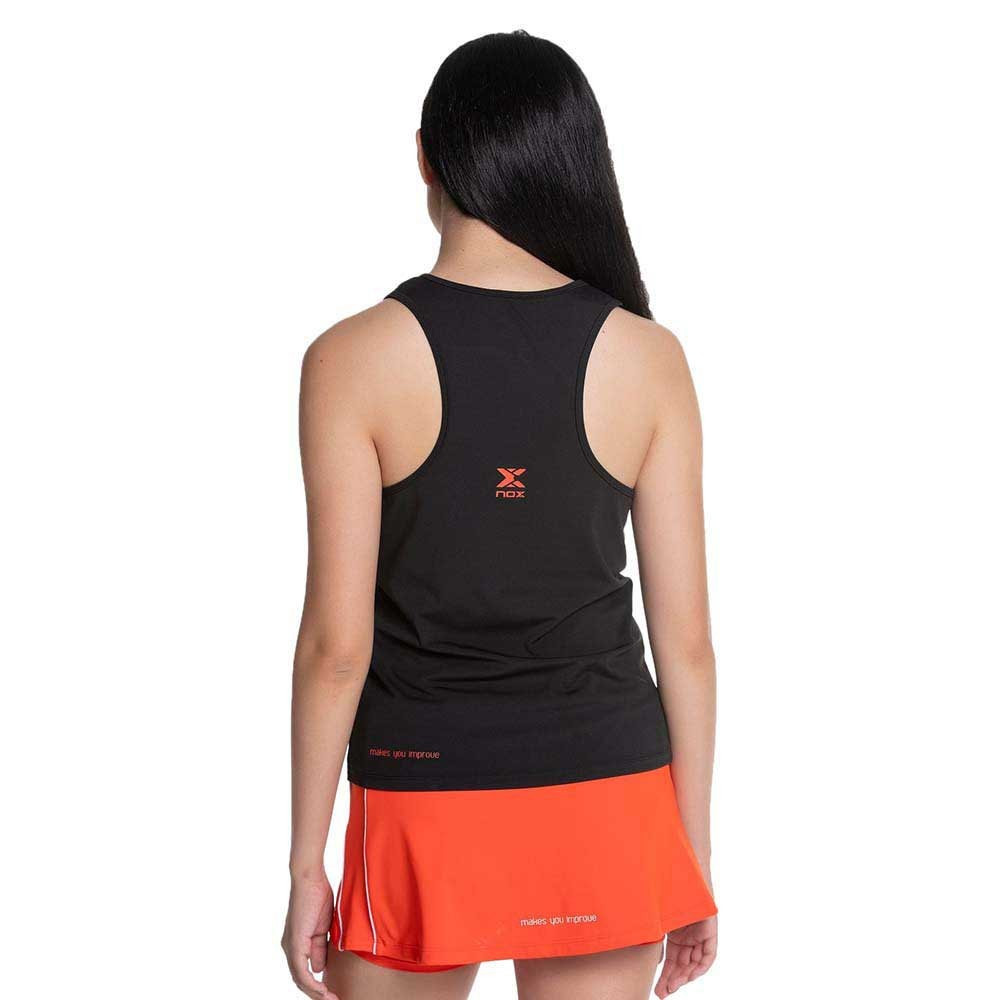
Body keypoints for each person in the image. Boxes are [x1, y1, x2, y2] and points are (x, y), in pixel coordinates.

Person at [281, 31, 718, 1000]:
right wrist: (688, 860)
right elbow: (685, 645)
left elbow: (336, 649)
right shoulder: (648, 357)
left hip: (424, 790)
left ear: (426, 157)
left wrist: (308, 863)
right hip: (607, 794)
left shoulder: (350, 358)